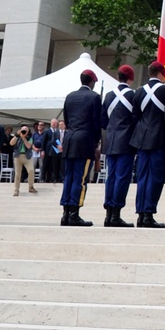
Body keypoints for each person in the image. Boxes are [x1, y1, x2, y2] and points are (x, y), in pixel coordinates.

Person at [59, 68, 102, 226]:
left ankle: (65, 213)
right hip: (84, 141)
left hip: (70, 140)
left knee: (68, 178)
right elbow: (96, 123)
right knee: (81, 179)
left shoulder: (70, 97)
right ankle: (74, 214)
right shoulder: (94, 97)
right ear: (91, 82)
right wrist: (96, 142)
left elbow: (67, 120)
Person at [131, 62, 165, 229]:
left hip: (142, 138)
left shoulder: (139, 91)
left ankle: (140, 213)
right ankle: (148, 213)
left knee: (142, 177)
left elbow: (135, 115)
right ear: (162, 74)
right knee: (155, 178)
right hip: (159, 138)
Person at [101, 65, 137, 227]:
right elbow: (136, 118)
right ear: (131, 78)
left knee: (111, 177)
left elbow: (103, 120)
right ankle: (116, 213)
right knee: (122, 178)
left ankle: (108, 212)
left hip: (111, 140)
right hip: (126, 141)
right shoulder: (133, 95)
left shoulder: (109, 96)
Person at [9, 125, 38, 195]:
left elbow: (28, 146)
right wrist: (16, 135)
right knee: (17, 174)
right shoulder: (17, 137)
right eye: (23, 130)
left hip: (27, 157)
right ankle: (16, 190)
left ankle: (31, 186)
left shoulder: (30, 138)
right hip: (18, 156)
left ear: (28, 132)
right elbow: (11, 143)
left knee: (31, 170)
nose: (24, 132)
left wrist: (24, 138)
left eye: (26, 131)